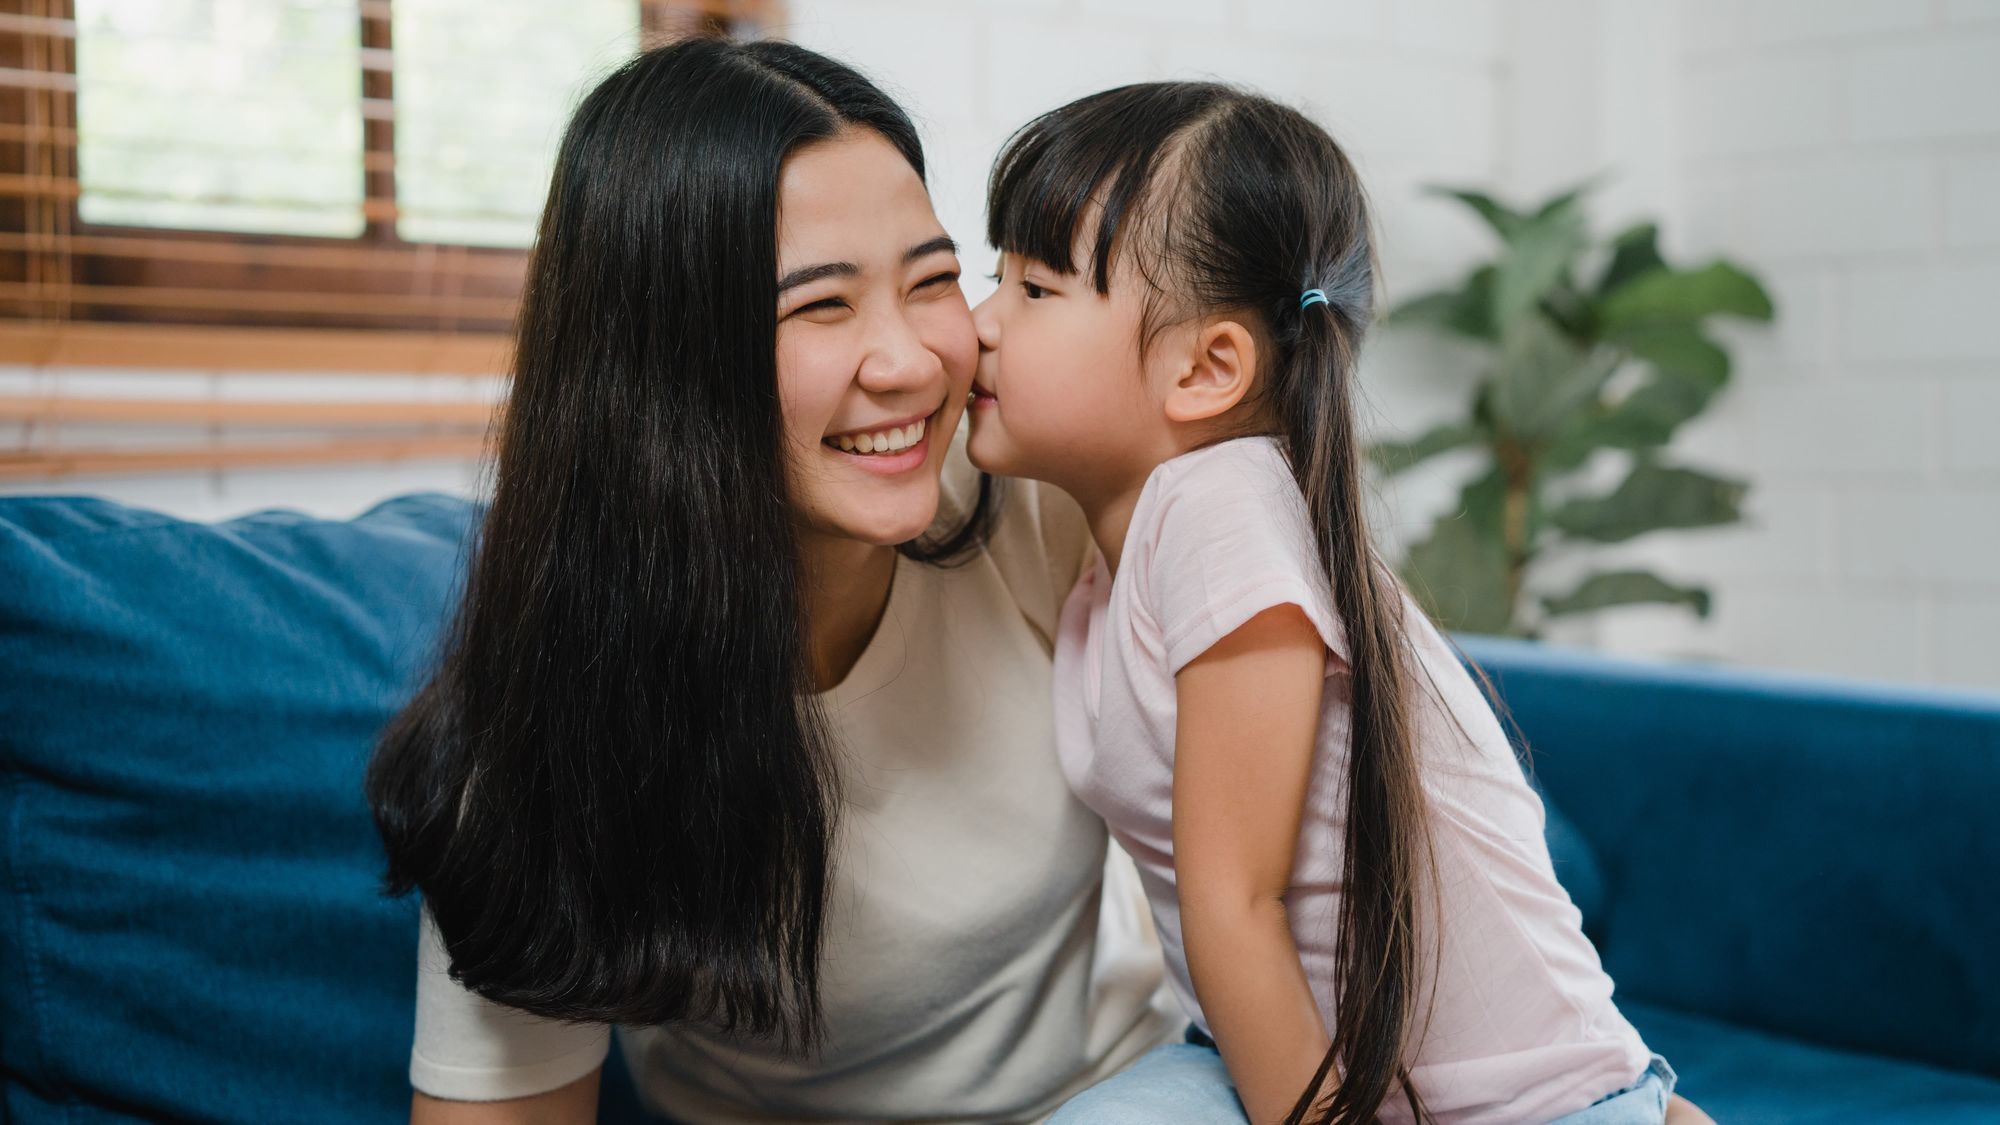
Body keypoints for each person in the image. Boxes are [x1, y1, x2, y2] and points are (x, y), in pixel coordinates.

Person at [364, 38, 1178, 1124]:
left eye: (933, 279)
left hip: (1128, 1093)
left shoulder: (1035, 502)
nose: (909, 362)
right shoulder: (546, 743)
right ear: (664, 363)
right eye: (821, 306)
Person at [965, 81, 1707, 1125]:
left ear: (1206, 367)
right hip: (1279, 1059)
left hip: (1518, 1105)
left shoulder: (1219, 508)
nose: (975, 323)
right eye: (990, 275)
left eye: (1033, 290)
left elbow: (1236, 910)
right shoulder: (1113, 552)